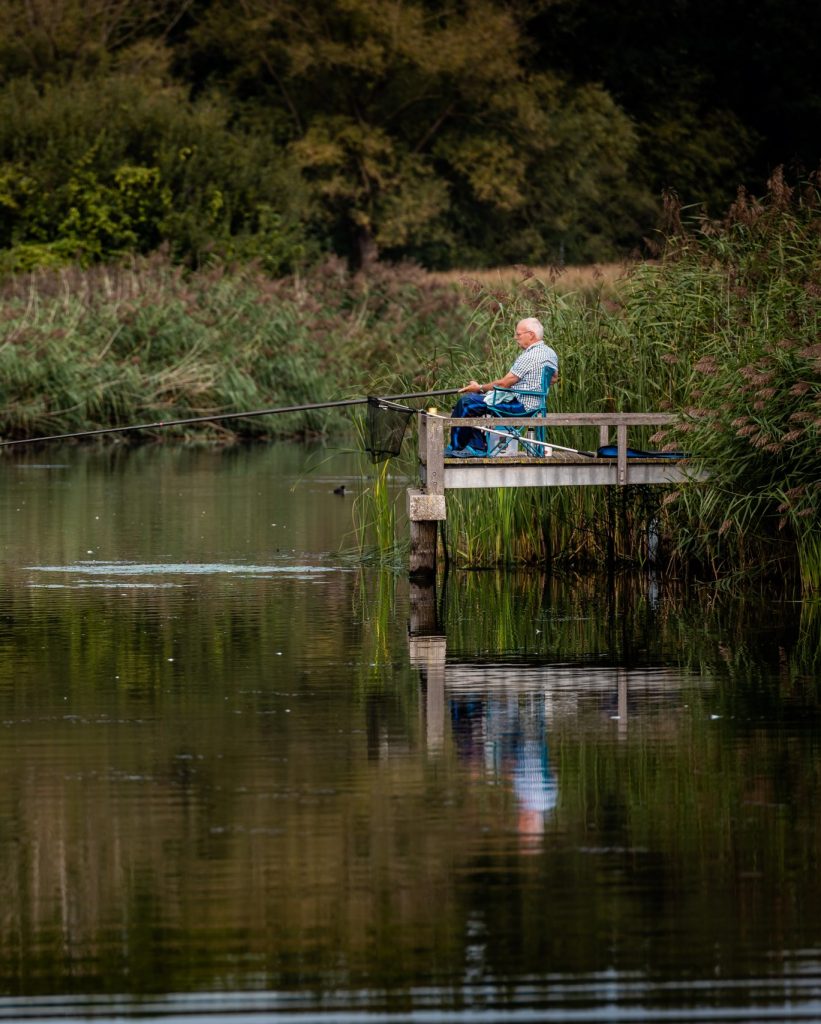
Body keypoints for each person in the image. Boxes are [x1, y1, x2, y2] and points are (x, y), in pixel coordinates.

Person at [446, 317, 559, 454]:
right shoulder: (550, 353)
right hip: (537, 405)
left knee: (467, 402)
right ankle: (476, 446)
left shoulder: (530, 356)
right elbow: (554, 378)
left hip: (521, 407)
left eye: (518, 334)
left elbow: (505, 383)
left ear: (531, 335)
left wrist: (479, 388)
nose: (515, 338)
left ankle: (460, 448)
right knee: (475, 402)